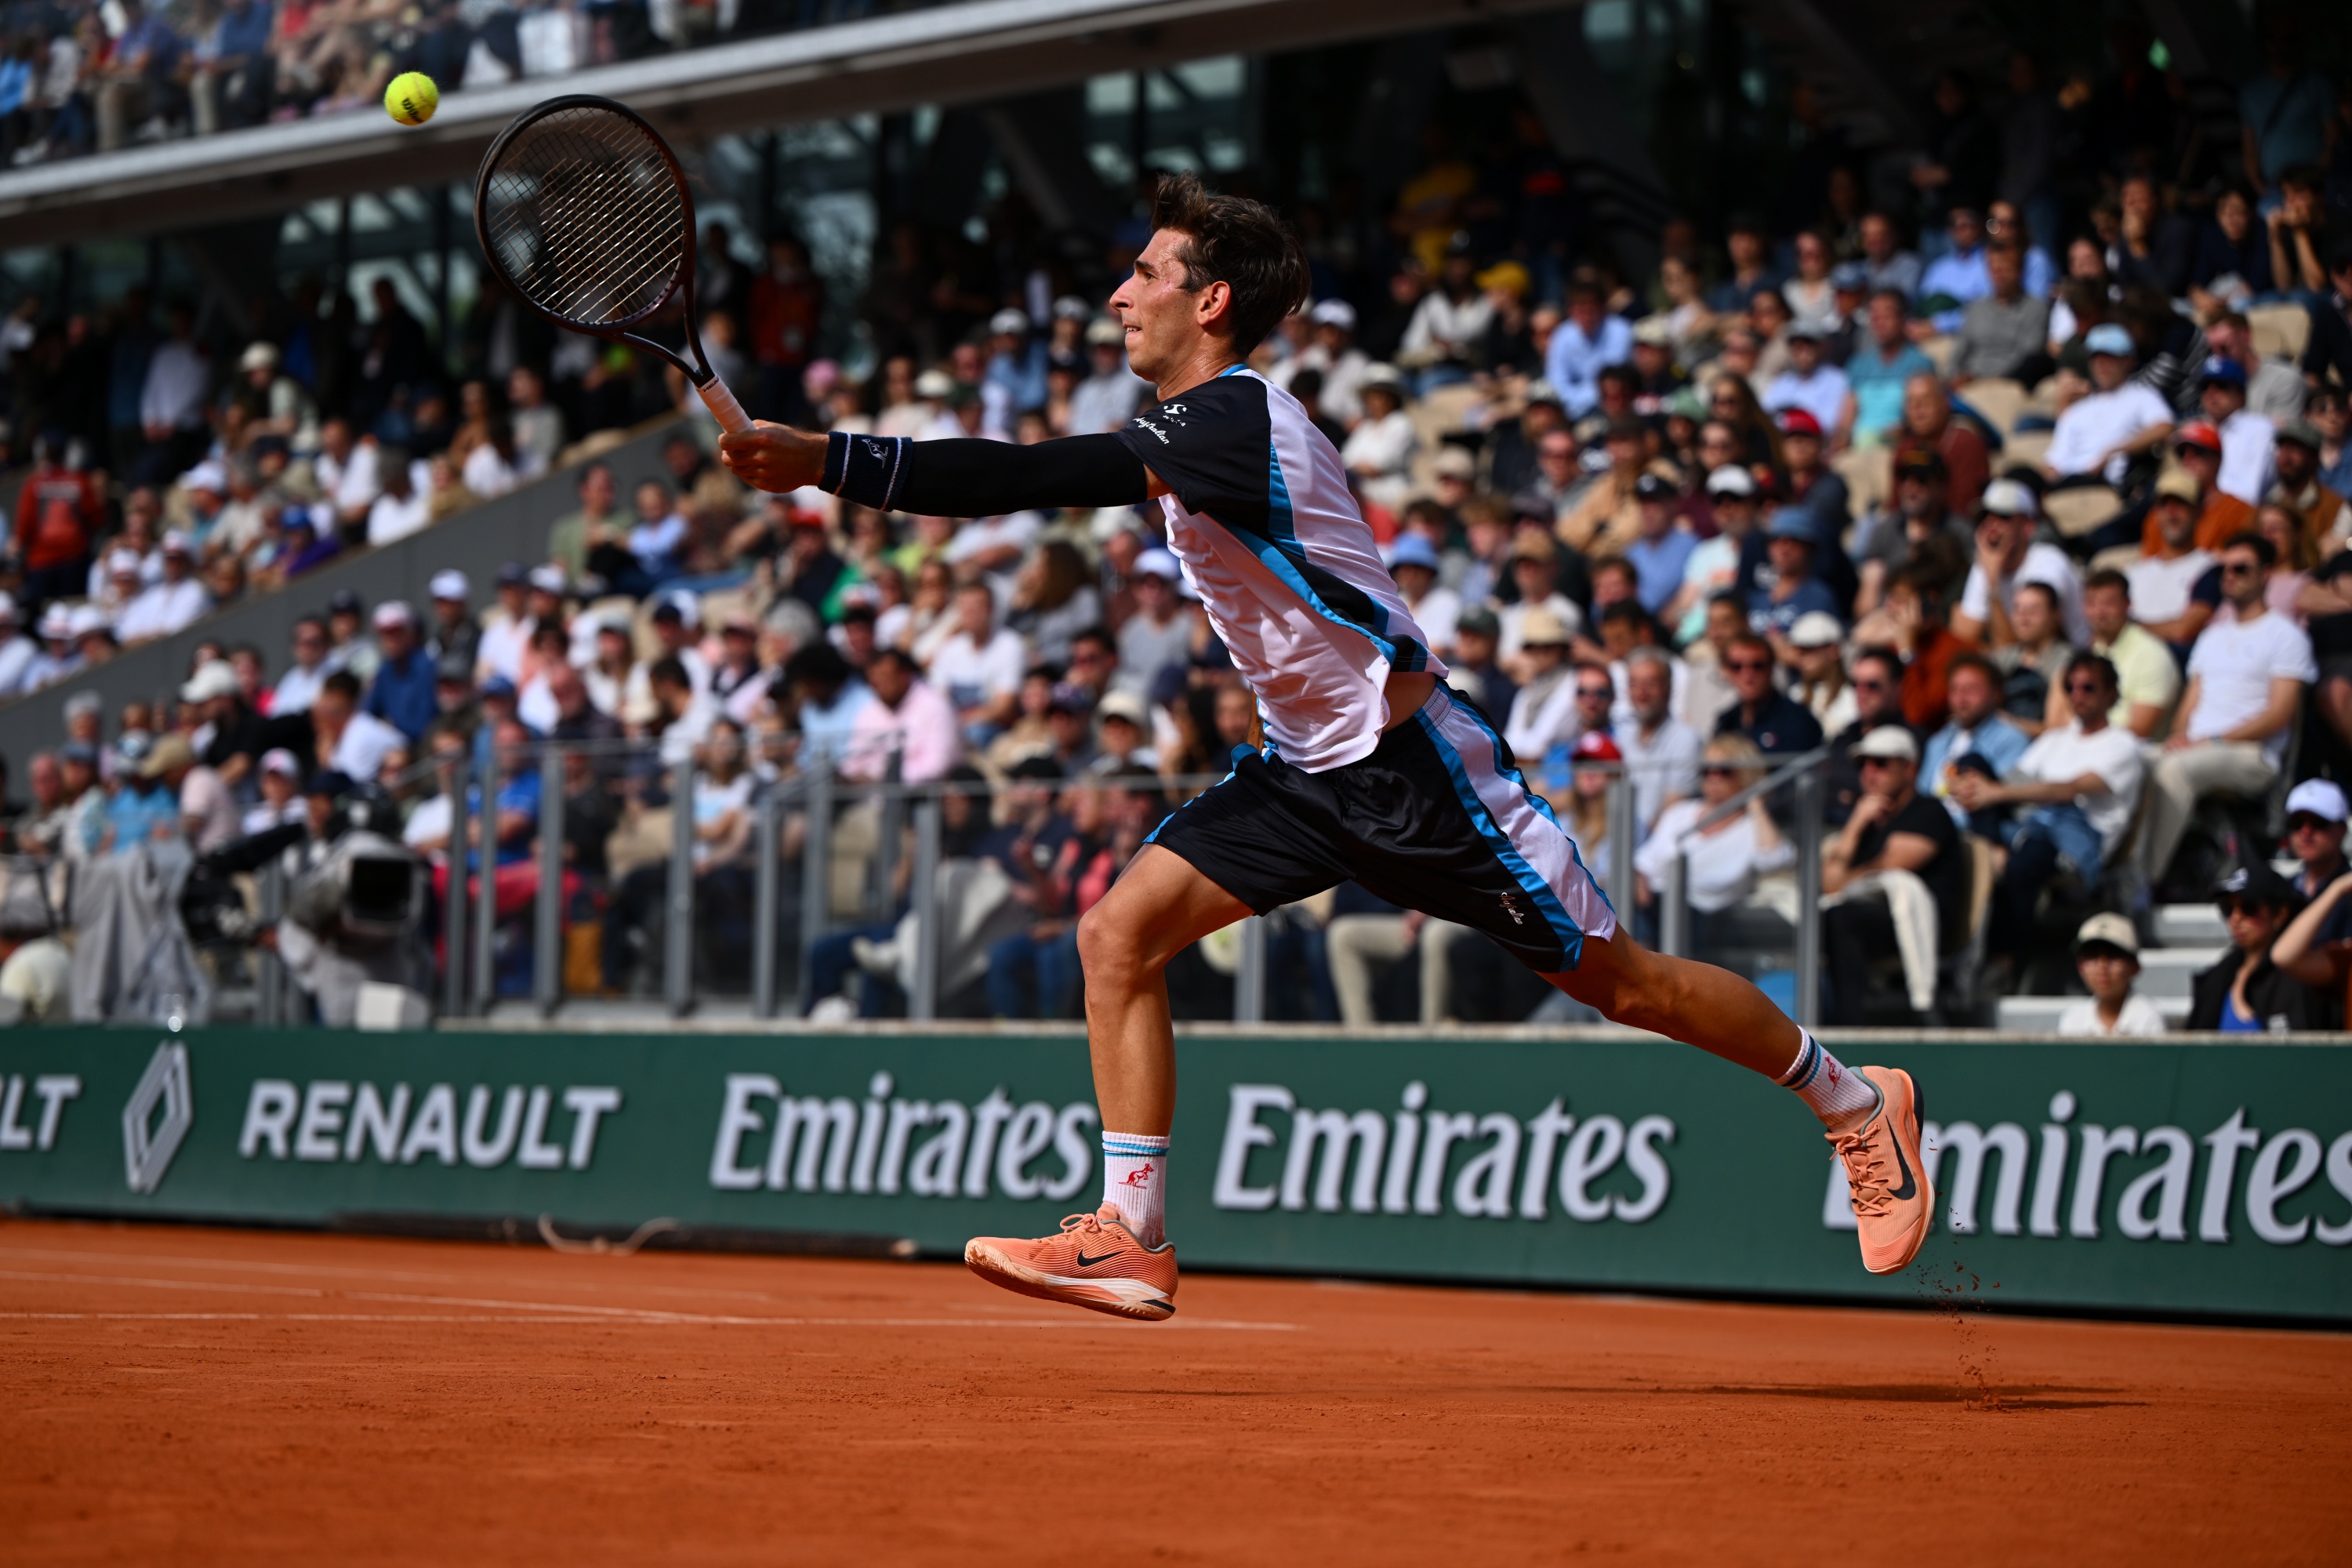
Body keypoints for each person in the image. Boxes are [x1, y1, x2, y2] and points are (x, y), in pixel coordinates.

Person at [717, 172, 1934, 1316]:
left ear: (1211, 299)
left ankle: (1852, 1100)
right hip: (1302, 772)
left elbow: (1034, 475)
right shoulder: (1191, 425)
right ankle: (1130, 1233)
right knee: (1117, 933)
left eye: (1145, 272)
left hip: (1418, 775)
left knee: (1626, 985)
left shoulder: (1231, 418)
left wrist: (825, 459)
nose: (1117, 295)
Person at [2140, 532, 2316, 891]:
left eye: (2241, 569)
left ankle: (2143, 882)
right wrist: (2179, 738)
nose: (2230, 576)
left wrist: (2214, 739)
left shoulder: (2285, 635)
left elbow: (2279, 714)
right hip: (2201, 747)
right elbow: (2189, 705)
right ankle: (2110, 871)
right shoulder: (2211, 636)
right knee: (2128, 758)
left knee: (2174, 771)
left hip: (2253, 755)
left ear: (2266, 574)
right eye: (2224, 569)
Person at [1958, 653, 2143, 968]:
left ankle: (2007, 958)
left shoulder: (2122, 745)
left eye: (2088, 688)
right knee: (1972, 763)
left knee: (2028, 855)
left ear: (2111, 694)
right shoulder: (2057, 739)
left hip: (2078, 836)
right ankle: (1994, 847)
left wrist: (1998, 793)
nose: (2077, 696)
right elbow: (2016, 778)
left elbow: (2069, 790)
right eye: (2071, 687)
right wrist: (1976, 785)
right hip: (2034, 822)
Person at [1820, 725, 1964, 1025]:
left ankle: (1850, 1027)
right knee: (1823, 919)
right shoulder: (1867, 822)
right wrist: (1855, 824)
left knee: (1841, 919)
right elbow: (1830, 883)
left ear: (1909, 768)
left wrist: (1848, 876)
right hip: (1874, 918)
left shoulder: (1928, 811)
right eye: (1863, 764)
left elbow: (1892, 867)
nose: (1870, 773)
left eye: (1881, 763)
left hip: (1922, 924)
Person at [1950, 479, 2090, 648]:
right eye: (1985, 516)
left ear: (2028, 527)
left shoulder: (2049, 565)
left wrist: (1992, 583)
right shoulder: (1987, 562)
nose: (1991, 524)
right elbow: (1963, 639)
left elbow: (2018, 649)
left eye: (2003, 516)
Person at [2185, 864, 2325, 1033]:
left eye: (2249, 908)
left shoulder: (2299, 977)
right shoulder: (2216, 978)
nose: (2236, 919)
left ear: (2280, 914)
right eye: (2228, 909)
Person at [2043, 323, 2173, 490]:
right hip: (2067, 480)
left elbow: (2164, 427)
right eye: (2095, 358)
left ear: (2128, 361)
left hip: (2104, 482)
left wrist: (2116, 451)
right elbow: (2054, 461)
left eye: (2109, 357)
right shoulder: (2078, 408)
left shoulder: (2141, 395)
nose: (2101, 364)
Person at [2081, 568, 2180, 738]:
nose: (2099, 612)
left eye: (2108, 603)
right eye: (2092, 604)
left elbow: (2139, 731)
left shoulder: (2152, 654)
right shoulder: (2091, 652)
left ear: (2127, 604)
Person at [2056, 913, 2168, 1037]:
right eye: (2092, 955)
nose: (2102, 966)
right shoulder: (2073, 1019)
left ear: (2135, 967)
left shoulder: (2148, 1018)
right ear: (2080, 967)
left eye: (2113, 955)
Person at [1713, 630, 1823, 756]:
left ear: (1771, 668)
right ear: (1726, 671)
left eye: (1758, 666)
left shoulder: (1798, 721)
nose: (1748, 676)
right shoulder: (1726, 722)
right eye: (1737, 667)